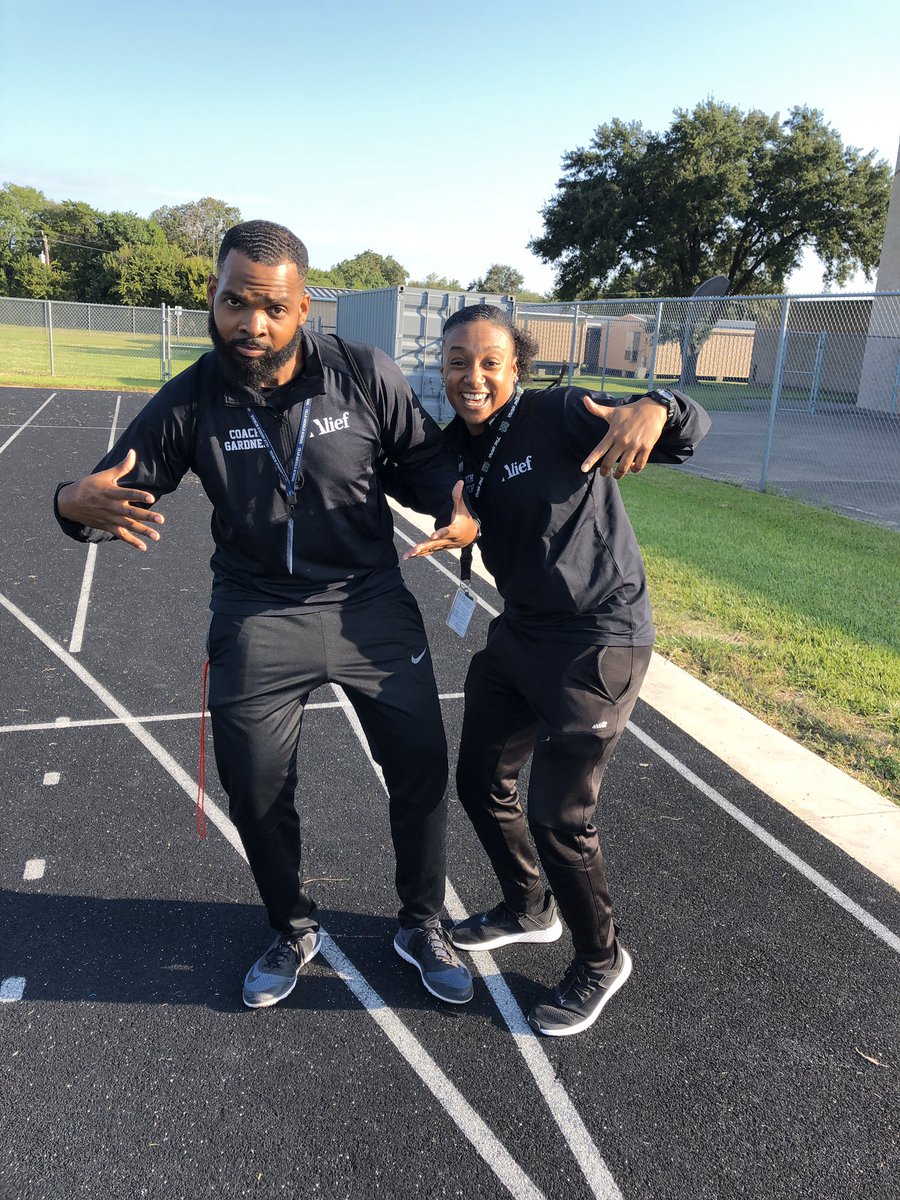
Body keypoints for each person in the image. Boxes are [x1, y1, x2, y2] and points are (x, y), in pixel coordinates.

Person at [53, 220, 480, 1011]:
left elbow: (427, 468)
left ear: (303, 307)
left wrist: (460, 509)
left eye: (272, 308)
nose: (252, 324)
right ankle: (290, 926)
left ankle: (422, 923)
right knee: (253, 789)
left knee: (420, 768)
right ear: (212, 300)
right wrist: (69, 504)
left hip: (368, 605)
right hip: (256, 612)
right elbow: (111, 484)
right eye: (234, 303)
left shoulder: (363, 373)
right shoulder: (193, 397)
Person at [403, 304, 710, 1036]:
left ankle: (602, 958)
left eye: (488, 362)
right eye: (456, 361)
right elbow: (445, 497)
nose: (471, 376)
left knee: (558, 815)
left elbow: (687, 432)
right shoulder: (456, 448)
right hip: (522, 632)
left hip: (600, 634)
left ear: (516, 368)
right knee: (480, 779)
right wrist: (462, 524)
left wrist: (658, 406)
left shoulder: (560, 413)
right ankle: (528, 907)